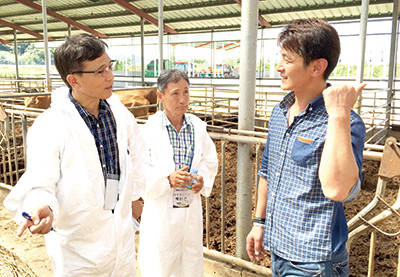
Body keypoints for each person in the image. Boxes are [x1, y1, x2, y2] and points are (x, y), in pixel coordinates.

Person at [4, 33, 145, 276]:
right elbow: (40, 181)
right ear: (74, 80)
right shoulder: (51, 125)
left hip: (121, 241)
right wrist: (41, 206)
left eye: (110, 66)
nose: (110, 76)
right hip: (78, 249)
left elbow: (138, 156)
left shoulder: (120, 114)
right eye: (100, 71)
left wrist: (137, 197)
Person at [246, 19, 366, 276]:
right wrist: (259, 222)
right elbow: (268, 169)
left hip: (314, 261)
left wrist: (338, 115)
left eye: (287, 60)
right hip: (278, 250)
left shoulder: (346, 122)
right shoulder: (280, 112)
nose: (279, 67)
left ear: (317, 66)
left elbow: (339, 189)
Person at [138, 69, 218, 277]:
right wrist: (167, 179)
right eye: (175, 93)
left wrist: (202, 179)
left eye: (186, 92)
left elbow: (209, 160)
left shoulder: (197, 127)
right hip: (161, 210)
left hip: (190, 208)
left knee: (190, 261)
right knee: (161, 263)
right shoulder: (149, 131)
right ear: (161, 96)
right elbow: (139, 169)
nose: (183, 100)